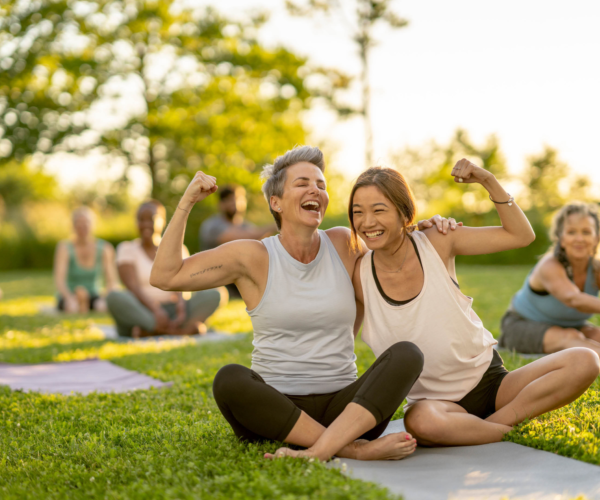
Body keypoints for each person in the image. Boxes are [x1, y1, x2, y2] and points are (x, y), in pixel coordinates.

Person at [150, 146, 456, 461]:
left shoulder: (344, 243)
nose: (315, 190)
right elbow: (165, 275)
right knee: (229, 379)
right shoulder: (253, 256)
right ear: (276, 202)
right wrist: (186, 202)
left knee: (407, 355)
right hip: (275, 412)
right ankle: (351, 448)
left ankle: (325, 445)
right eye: (302, 183)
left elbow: (391, 242)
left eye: (321, 185)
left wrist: (426, 229)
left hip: (345, 410)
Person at [349, 161, 600, 447]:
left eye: (378, 210)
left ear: (404, 212)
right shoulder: (358, 275)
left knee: (585, 360)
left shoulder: (437, 241)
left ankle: (486, 427)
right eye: (358, 212)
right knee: (420, 423)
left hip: (493, 384)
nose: (367, 222)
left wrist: (487, 179)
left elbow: (520, 235)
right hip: (435, 405)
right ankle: (506, 429)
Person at [106, 200, 225, 338]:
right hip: (142, 311)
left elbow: (183, 284)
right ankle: (178, 331)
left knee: (216, 293)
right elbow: (132, 286)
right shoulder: (127, 248)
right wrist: (155, 310)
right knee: (113, 297)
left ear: (162, 221)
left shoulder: (178, 249)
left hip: (172, 310)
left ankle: (152, 332)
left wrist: (181, 307)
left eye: (150, 219)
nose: (145, 224)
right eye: (141, 220)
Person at [499, 203, 600, 357]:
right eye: (571, 232)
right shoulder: (549, 265)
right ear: (561, 238)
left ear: (596, 238)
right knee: (572, 338)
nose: (579, 238)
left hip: (571, 326)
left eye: (586, 232)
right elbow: (573, 299)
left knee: (596, 335)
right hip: (522, 325)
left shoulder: (596, 269)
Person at [200, 185, 276, 298]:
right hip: (217, 282)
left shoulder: (247, 226)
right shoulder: (212, 225)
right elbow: (241, 237)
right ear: (221, 204)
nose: (234, 203)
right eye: (229, 200)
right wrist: (277, 225)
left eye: (238, 199)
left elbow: (261, 246)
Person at [53, 206, 118, 313]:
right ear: (73, 226)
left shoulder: (105, 248)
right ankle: (80, 302)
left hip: (94, 295)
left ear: (93, 225)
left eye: (86, 222)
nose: (82, 226)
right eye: (79, 223)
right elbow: (60, 281)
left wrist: (104, 298)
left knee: (102, 307)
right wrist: (69, 298)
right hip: (70, 294)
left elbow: (112, 281)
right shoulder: (64, 248)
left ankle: (85, 302)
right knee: (72, 308)